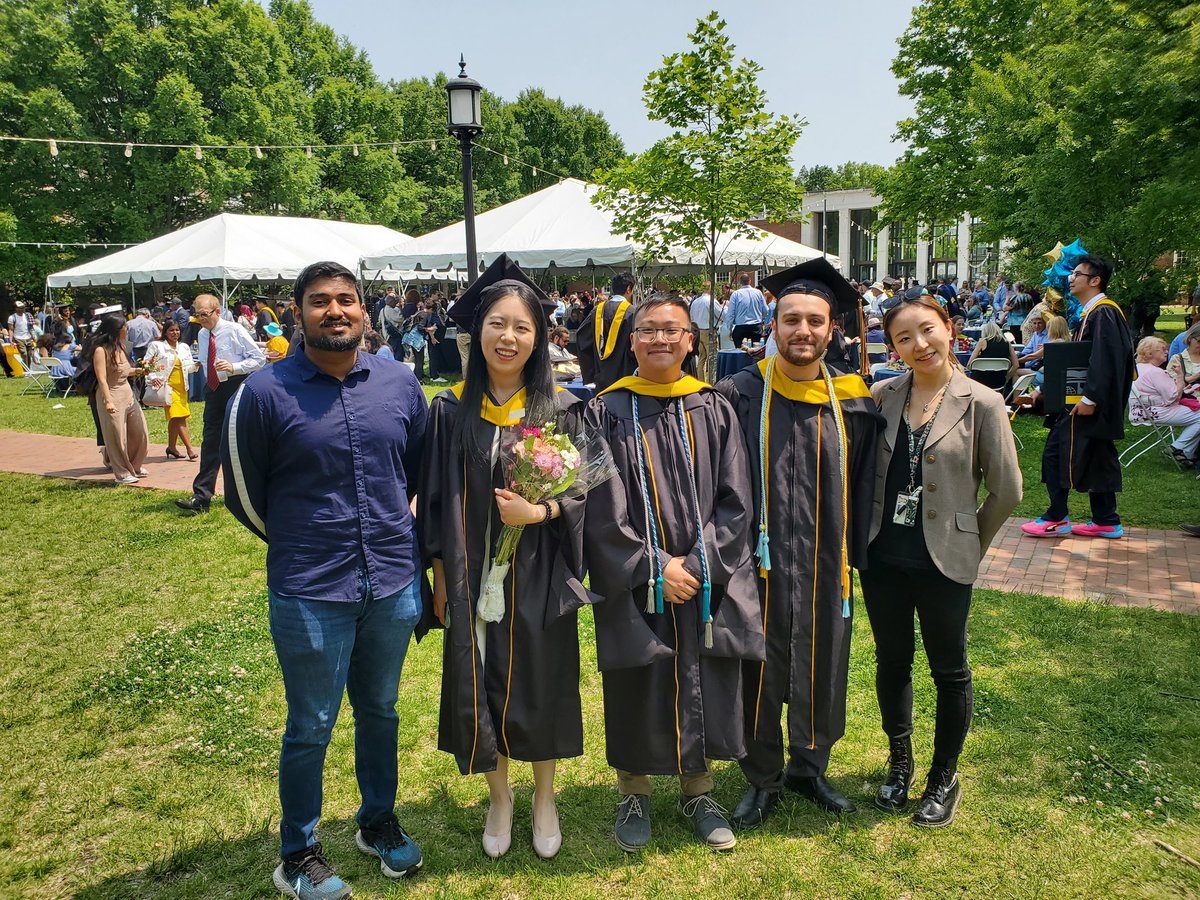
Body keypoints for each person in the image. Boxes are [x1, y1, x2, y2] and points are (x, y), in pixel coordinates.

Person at [223, 260, 427, 899]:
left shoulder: (400, 383)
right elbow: (245, 494)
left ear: (364, 310)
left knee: (381, 709)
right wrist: (298, 543)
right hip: (310, 586)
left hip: (392, 580)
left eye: (346, 300)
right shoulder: (264, 391)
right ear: (298, 312)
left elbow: (414, 471)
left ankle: (377, 822)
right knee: (310, 722)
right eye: (319, 302)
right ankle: (298, 851)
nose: (334, 311)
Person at [419, 255, 585, 862]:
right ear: (477, 333)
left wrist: (540, 515)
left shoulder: (562, 411)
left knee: (539, 682)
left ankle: (544, 796)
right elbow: (435, 503)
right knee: (481, 679)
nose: (508, 337)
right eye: (496, 323)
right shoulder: (449, 413)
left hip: (539, 575)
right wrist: (440, 577)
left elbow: (589, 501)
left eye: (521, 326)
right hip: (470, 577)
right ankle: (499, 796)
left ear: (538, 338)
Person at [584, 294, 763, 853]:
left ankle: (698, 788)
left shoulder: (713, 407)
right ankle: (633, 789)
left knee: (704, 675)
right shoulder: (603, 412)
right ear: (632, 340)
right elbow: (598, 504)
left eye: (673, 330)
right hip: (637, 578)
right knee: (638, 673)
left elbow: (738, 500)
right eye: (649, 330)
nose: (661, 339)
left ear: (692, 340)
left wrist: (697, 563)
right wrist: (655, 565)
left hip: (705, 579)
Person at [715, 259, 882, 827]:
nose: (802, 331)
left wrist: (857, 555)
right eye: (791, 319)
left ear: (832, 329)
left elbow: (864, 483)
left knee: (823, 660)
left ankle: (810, 768)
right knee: (757, 664)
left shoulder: (856, 401)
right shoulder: (738, 393)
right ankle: (761, 778)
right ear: (773, 325)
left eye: (815, 320)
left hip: (825, 562)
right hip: (755, 564)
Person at [863, 293, 1021, 827]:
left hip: (945, 561)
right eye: (903, 337)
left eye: (927, 330)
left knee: (949, 670)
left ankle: (943, 776)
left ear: (949, 329)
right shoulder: (882, 396)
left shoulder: (983, 402)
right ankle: (900, 762)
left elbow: (1007, 491)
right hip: (884, 558)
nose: (918, 344)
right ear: (893, 346)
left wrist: (971, 540)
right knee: (892, 662)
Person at [1022, 255, 1134, 539]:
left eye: (1077, 274)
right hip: (1087, 401)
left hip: (1088, 403)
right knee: (1097, 458)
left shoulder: (1104, 312)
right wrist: (1045, 390)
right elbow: (1078, 360)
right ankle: (1106, 520)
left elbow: (1104, 360)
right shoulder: (1092, 312)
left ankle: (1057, 517)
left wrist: (1090, 399)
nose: (1071, 278)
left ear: (1095, 281)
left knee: (1057, 454)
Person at [175, 294, 266, 514]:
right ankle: (201, 496)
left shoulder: (235, 330)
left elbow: (259, 359)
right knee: (211, 441)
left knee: (243, 440)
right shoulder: (204, 334)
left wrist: (234, 367)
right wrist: (199, 365)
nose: (200, 319)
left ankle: (256, 494)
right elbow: (209, 358)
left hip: (235, 387)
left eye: (204, 314)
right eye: (197, 314)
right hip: (214, 390)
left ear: (217, 311)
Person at [91, 313, 151, 485]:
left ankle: (135, 465)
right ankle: (122, 472)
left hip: (127, 392)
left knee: (140, 432)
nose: (127, 329)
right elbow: (102, 378)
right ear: (116, 330)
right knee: (117, 435)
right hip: (110, 393)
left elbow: (124, 371)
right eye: (125, 327)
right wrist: (108, 400)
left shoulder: (121, 347)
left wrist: (139, 371)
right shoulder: (100, 351)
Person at [1131, 336, 1200, 466]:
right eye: (1162, 349)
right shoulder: (1156, 372)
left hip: (1139, 411)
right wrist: (1180, 377)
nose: (1167, 352)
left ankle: (1186, 453)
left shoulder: (1137, 368)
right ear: (1150, 353)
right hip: (1156, 412)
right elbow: (1173, 397)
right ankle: (1177, 448)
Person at [143, 319, 199, 460]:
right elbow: (146, 364)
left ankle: (172, 447)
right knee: (179, 417)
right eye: (171, 330)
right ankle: (189, 449)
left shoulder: (185, 347)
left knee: (175, 418)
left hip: (182, 388)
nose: (175, 333)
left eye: (177, 330)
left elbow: (189, 367)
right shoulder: (156, 346)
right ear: (165, 332)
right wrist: (153, 376)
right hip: (167, 387)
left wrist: (198, 365)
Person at [577, 273, 638, 390]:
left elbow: (582, 337)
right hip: (626, 379)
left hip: (601, 378)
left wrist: (590, 372)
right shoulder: (633, 312)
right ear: (629, 289)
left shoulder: (597, 311)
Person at [965, 321, 1017, 390]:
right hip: (999, 381)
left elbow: (969, 365)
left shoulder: (982, 342)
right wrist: (1006, 378)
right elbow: (1016, 365)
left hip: (980, 381)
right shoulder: (1007, 343)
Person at [690, 280, 723, 378]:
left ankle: (700, 380)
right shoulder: (711, 301)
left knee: (701, 358)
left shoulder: (695, 301)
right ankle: (712, 380)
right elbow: (722, 315)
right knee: (712, 358)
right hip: (708, 331)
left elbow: (691, 317)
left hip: (697, 330)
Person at [727, 273, 770, 349]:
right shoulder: (758, 293)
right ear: (750, 281)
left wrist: (729, 329)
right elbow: (766, 310)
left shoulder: (735, 294)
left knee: (739, 351)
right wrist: (761, 318)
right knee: (756, 351)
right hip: (756, 326)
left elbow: (730, 313)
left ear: (740, 282)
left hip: (741, 326)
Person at [1166, 323, 1200, 391]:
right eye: (1199, 341)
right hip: (1188, 399)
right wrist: (1196, 376)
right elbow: (1171, 386)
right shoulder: (1177, 359)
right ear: (1190, 338)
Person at [8, 301, 36, 367]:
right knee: (24, 354)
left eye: (23, 307)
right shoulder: (12, 317)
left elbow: (31, 328)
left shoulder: (28, 316)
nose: (22, 309)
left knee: (30, 354)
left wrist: (33, 337)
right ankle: (25, 371)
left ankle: (28, 369)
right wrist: (11, 340)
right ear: (16, 309)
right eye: (20, 308)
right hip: (18, 338)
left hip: (28, 337)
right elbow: (11, 329)